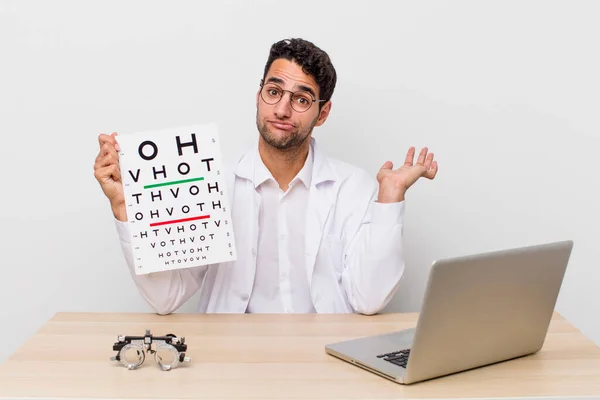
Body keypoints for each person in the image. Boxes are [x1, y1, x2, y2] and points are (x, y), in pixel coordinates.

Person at [93, 38, 438, 315]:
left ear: (323, 113)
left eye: (302, 99)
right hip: (231, 362)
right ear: (259, 96)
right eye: (274, 92)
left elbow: (369, 299)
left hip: (326, 361)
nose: (283, 109)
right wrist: (126, 209)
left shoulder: (356, 188)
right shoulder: (211, 186)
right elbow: (165, 298)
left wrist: (389, 199)